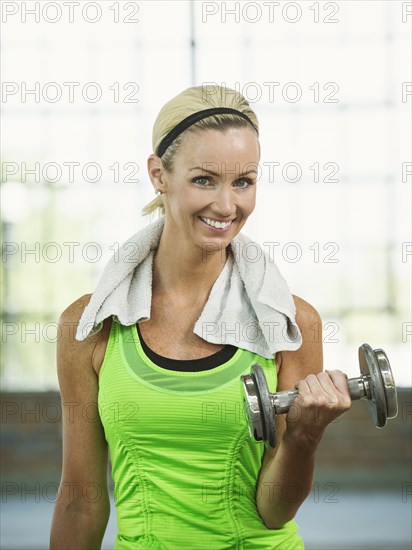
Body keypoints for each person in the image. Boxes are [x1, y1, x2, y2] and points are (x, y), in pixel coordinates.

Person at [50, 85, 352, 549]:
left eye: (244, 182)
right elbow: (80, 500)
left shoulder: (290, 324)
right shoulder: (90, 326)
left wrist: (304, 437)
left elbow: (274, 511)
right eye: (204, 180)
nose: (227, 206)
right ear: (158, 174)